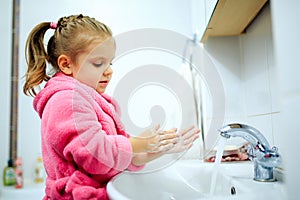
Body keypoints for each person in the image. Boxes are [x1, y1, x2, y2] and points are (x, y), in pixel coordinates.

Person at [23, 14, 199, 200]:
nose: (109, 70)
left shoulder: (91, 101)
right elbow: (94, 154)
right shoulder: (64, 102)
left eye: (110, 62)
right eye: (99, 63)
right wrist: (139, 143)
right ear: (66, 64)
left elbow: (117, 156)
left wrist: (155, 147)